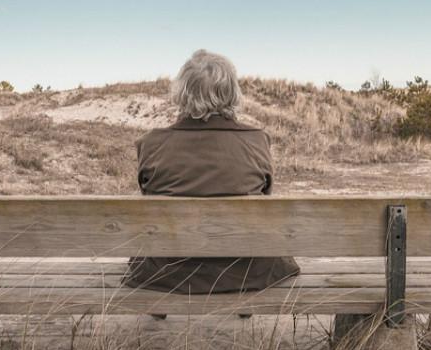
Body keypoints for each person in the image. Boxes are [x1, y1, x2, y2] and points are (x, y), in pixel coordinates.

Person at [123, 49, 300, 295]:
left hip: (168, 273)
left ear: (182, 92)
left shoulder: (152, 143)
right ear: (232, 92)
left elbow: (148, 197)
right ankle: (243, 306)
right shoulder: (257, 141)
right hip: (246, 271)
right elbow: (265, 198)